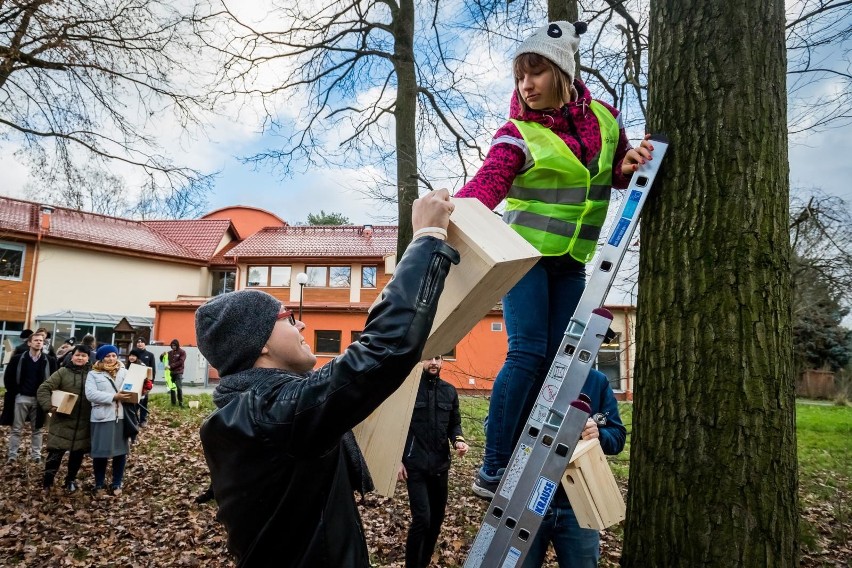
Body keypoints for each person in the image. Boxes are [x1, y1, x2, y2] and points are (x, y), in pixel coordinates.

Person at [196, 189, 458, 567]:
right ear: (260, 345)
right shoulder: (276, 414)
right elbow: (382, 350)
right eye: (286, 317)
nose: (301, 323)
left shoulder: (246, 414)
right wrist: (427, 239)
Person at [453, 21, 653, 498]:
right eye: (520, 75)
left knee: (559, 362)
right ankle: (494, 466)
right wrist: (452, 213)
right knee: (526, 352)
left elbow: (615, 169)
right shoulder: (518, 132)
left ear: (562, 72)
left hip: (572, 260)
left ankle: (534, 448)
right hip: (525, 257)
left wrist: (630, 163)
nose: (526, 85)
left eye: (536, 72)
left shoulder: (605, 119)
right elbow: (488, 183)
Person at [521, 369, 626, 568]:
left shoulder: (596, 381)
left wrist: (598, 434)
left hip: (580, 502)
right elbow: (494, 426)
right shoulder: (528, 371)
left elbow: (617, 437)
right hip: (529, 497)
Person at [397, 355, 469, 568]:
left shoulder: (449, 391)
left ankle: (423, 563)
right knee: (422, 520)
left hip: (440, 466)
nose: (434, 363)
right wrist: (397, 461)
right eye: (429, 358)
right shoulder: (407, 391)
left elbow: (454, 424)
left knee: (436, 522)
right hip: (415, 466)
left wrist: (458, 441)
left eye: (438, 358)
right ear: (420, 361)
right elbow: (396, 427)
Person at [36, 345, 93, 493]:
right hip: (62, 420)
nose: (80, 358)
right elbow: (44, 388)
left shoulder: (93, 374)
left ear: (88, 358)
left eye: (84, 356)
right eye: (77, 355)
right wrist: (48, 406)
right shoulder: (63, 372)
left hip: (83, 421)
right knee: (55, 453)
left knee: (77, 454)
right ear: (72, 356)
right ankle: (47, 483)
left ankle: (70, 480)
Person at [85, 344, 134, 495]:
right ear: (101, 358)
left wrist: (143, 389)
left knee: (120, 452)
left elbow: (134, 393)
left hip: (121, 417)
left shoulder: (125, 372)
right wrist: (114, 397)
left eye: (113, 355)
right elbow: (91, 394)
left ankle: (117, 483)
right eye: (107, 356)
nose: (111, 359)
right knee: (101, 452)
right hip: (102, 417)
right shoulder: (94, 374)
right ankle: (99, 483)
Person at [2, 330, 57, 463]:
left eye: (41, 341)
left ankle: (36, 456)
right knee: (16, 428)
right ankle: (12, 455)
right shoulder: (18, 359)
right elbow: (8, 377)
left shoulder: (48, 360)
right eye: (36, 340)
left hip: (40, 399)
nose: (39, 343)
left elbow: (54, 379)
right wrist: (17, 392)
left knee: (37, 429)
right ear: (29, 343)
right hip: (22, 397)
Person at [128, 337, 156, 426]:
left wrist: (152, 382)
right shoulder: (133, 354)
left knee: (144, 402)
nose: (139, 343)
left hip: (145, 382)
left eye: (142, 342)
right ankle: (133, 419)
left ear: (145, 343)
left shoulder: (150, 355)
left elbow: (152, 369)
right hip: (134, 382)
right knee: (134, 401)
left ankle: (143, 420)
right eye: (138, 342)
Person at [167, 339, 186, 407]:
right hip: (171, 372)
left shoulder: (182, 352)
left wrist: (171, 366)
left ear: (177, 345)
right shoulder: (169, 353)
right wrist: (162, 355)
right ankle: (173, 403)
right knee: (172, 388)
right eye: (172, 345)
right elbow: (163, 359)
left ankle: (181, 402)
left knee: (179, 387)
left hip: (178, 372)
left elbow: (181, 361)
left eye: (174, 345)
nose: (173, 347)